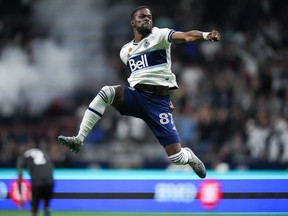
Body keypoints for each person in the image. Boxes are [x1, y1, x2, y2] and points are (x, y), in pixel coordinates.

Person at [57, 6, 221, 179]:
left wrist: (205, 35)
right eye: (142, 17)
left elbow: (187, 36)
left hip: (158, 103)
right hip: (137, 97)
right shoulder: (125, 52)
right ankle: (79, 138)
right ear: (133, 22)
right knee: (107, 91)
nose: (147, 19)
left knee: (176, 157)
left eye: (149, 17)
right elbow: (138, 75)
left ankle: (189, 156)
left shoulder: (159, 35)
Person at [17, 147, 54, 216]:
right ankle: (46, 209)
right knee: (46, 206)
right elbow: (51, 167)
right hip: (50, 180)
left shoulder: (22, 157)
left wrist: (21, 196)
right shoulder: (43, 152)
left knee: (34, 209)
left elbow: (20, 177)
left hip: (37, 182)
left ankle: (35, 212)